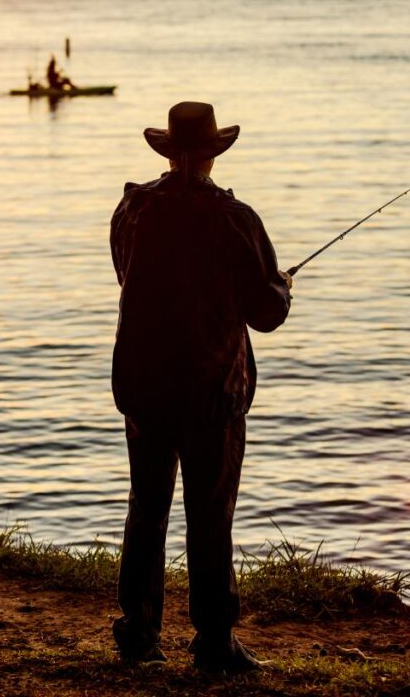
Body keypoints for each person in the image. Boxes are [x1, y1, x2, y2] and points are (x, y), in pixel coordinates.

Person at [109, 101, 292, 674]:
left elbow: (125, 272)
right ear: (214, 152)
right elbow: (265, 313)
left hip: (143, 384)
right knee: (210, 515)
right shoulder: (234, 219)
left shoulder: (133, 209)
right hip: (212, 392)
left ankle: (139, 633)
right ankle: (214, 642)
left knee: (147, 507)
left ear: (167, 150)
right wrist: (282, 287)